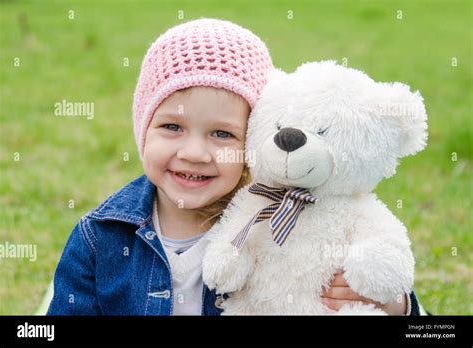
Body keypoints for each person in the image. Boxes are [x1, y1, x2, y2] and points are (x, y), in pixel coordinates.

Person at [47, 18, 420, 315]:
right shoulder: (100, 236)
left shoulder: (281, 223)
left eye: (222, 134)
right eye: (172, 127)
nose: (194, 153)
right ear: (143, 129)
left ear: (253, 141)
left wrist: (394, 306)